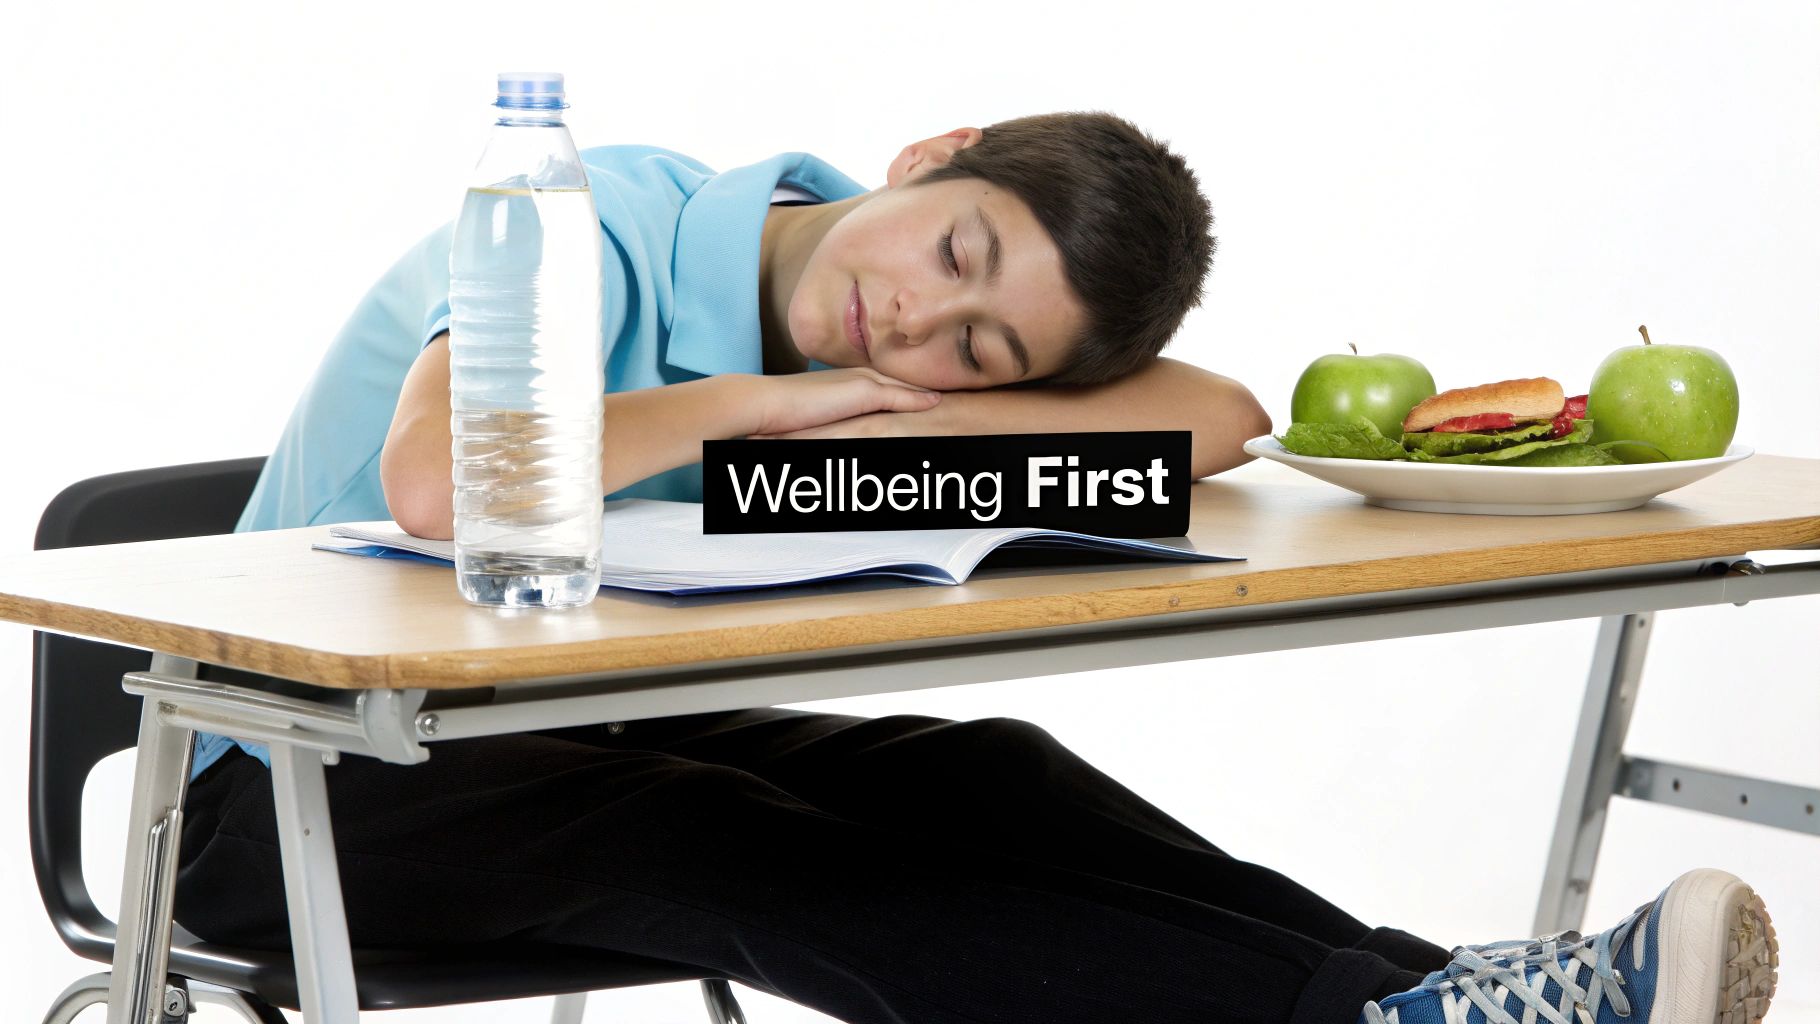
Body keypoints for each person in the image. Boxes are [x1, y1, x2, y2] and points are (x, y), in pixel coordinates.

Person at [174, 112, 1778, 1024]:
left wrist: (954, 394)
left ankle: (1463, 999)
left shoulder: (923, 369)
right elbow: (438, 476)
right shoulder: (584, 219)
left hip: (560, 746)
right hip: (287, 790)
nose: (915, 332)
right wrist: (775, 407)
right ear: (934, 155)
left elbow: (1216, 418)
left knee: (984, 771)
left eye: (982, 351)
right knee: (729, 837)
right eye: (951, 257)